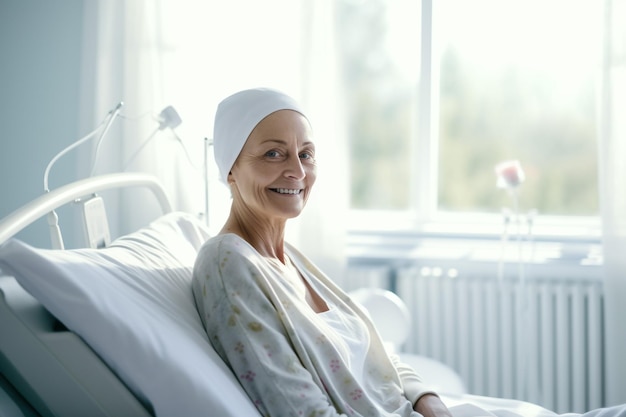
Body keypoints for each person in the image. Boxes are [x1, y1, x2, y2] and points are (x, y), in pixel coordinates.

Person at [192, 87, 452, 417]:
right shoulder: (227, 263)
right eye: (273, 154)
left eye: (306, 154)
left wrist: (428, 400)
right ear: (231, 168)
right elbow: (297, 407)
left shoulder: (290, 259)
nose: (298, 172)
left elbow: (377, 357)